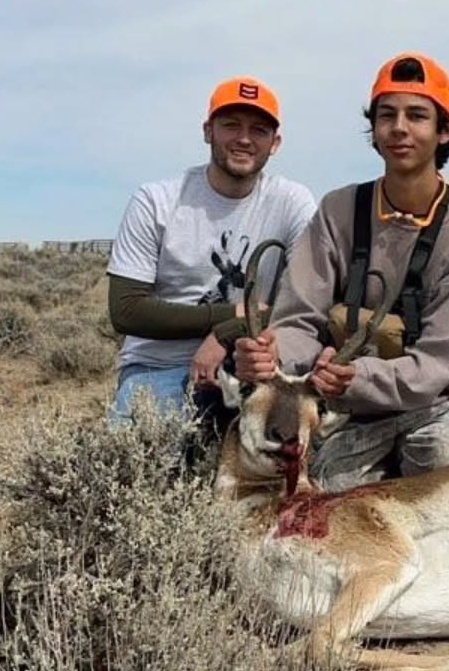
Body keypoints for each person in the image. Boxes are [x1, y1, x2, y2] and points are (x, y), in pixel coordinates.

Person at [235, 53, 449, 492]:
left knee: (445, 470)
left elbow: (439, 361)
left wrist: (357, 377)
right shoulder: (338, 211)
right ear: (374, 129)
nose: (399, 128)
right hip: (346, 411)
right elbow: (299, 318)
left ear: (445, 131)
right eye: (386, 115)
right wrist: (273, 353)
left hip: (434, 407)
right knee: (321, 493)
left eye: (417, 116)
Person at [105, 77, 315, 422]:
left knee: (291, 452)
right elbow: (126, 311)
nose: (244, 139)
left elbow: (306, 302)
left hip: (252, 362)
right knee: (138, 464)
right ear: (208, 131)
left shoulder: (292, 202)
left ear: (275, 143)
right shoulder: (156, 200)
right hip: (159, 364)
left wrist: (226, 334)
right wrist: (233, 317)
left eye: (259, 130)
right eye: (230, 125)